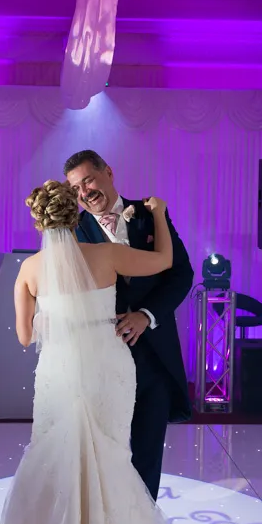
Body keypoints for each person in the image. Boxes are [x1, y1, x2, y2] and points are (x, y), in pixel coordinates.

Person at [0, 180, 217, 524]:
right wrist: (162, 214)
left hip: (61, 370)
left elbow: (25, 337)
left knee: (56, 461)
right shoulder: (106, 256)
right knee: (110, 461)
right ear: (74, 215)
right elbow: (167, 263)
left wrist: (54, 318)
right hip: (110, 366)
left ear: (38, 221)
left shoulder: (28, 269)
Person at [64, 150, 193, 501]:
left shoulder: (153, 215)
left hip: (153, 356)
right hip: (102, 359)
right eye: (75, 188)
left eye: (88, 180)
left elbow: (181, 273)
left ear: (108, 172)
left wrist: (147, 315)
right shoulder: (72, 230)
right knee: (105, 453)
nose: (84, 192)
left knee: (148, 455)